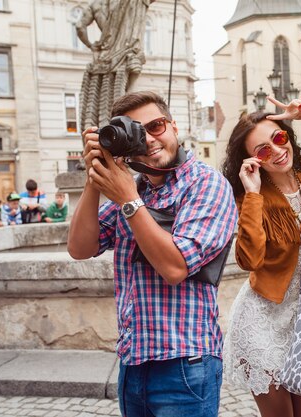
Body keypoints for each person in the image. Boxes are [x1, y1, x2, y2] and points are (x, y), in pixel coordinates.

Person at [67, 91, 236, 417]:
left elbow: (175, 268)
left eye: (156, 126)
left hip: (185, 365)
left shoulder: (206, 184)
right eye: (136, 132)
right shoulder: (133, 188)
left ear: (173, 126)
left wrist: (129, 200)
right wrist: (96, 176)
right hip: (132, 363)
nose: (149, 139)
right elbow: (80, 248)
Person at [220, 97, 301, 417]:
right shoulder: (249, 196)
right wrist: (251, 194)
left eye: (279, 138)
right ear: (252, 159)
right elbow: (249, 259)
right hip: (262, 321)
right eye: (262, 150)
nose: (276, 151)